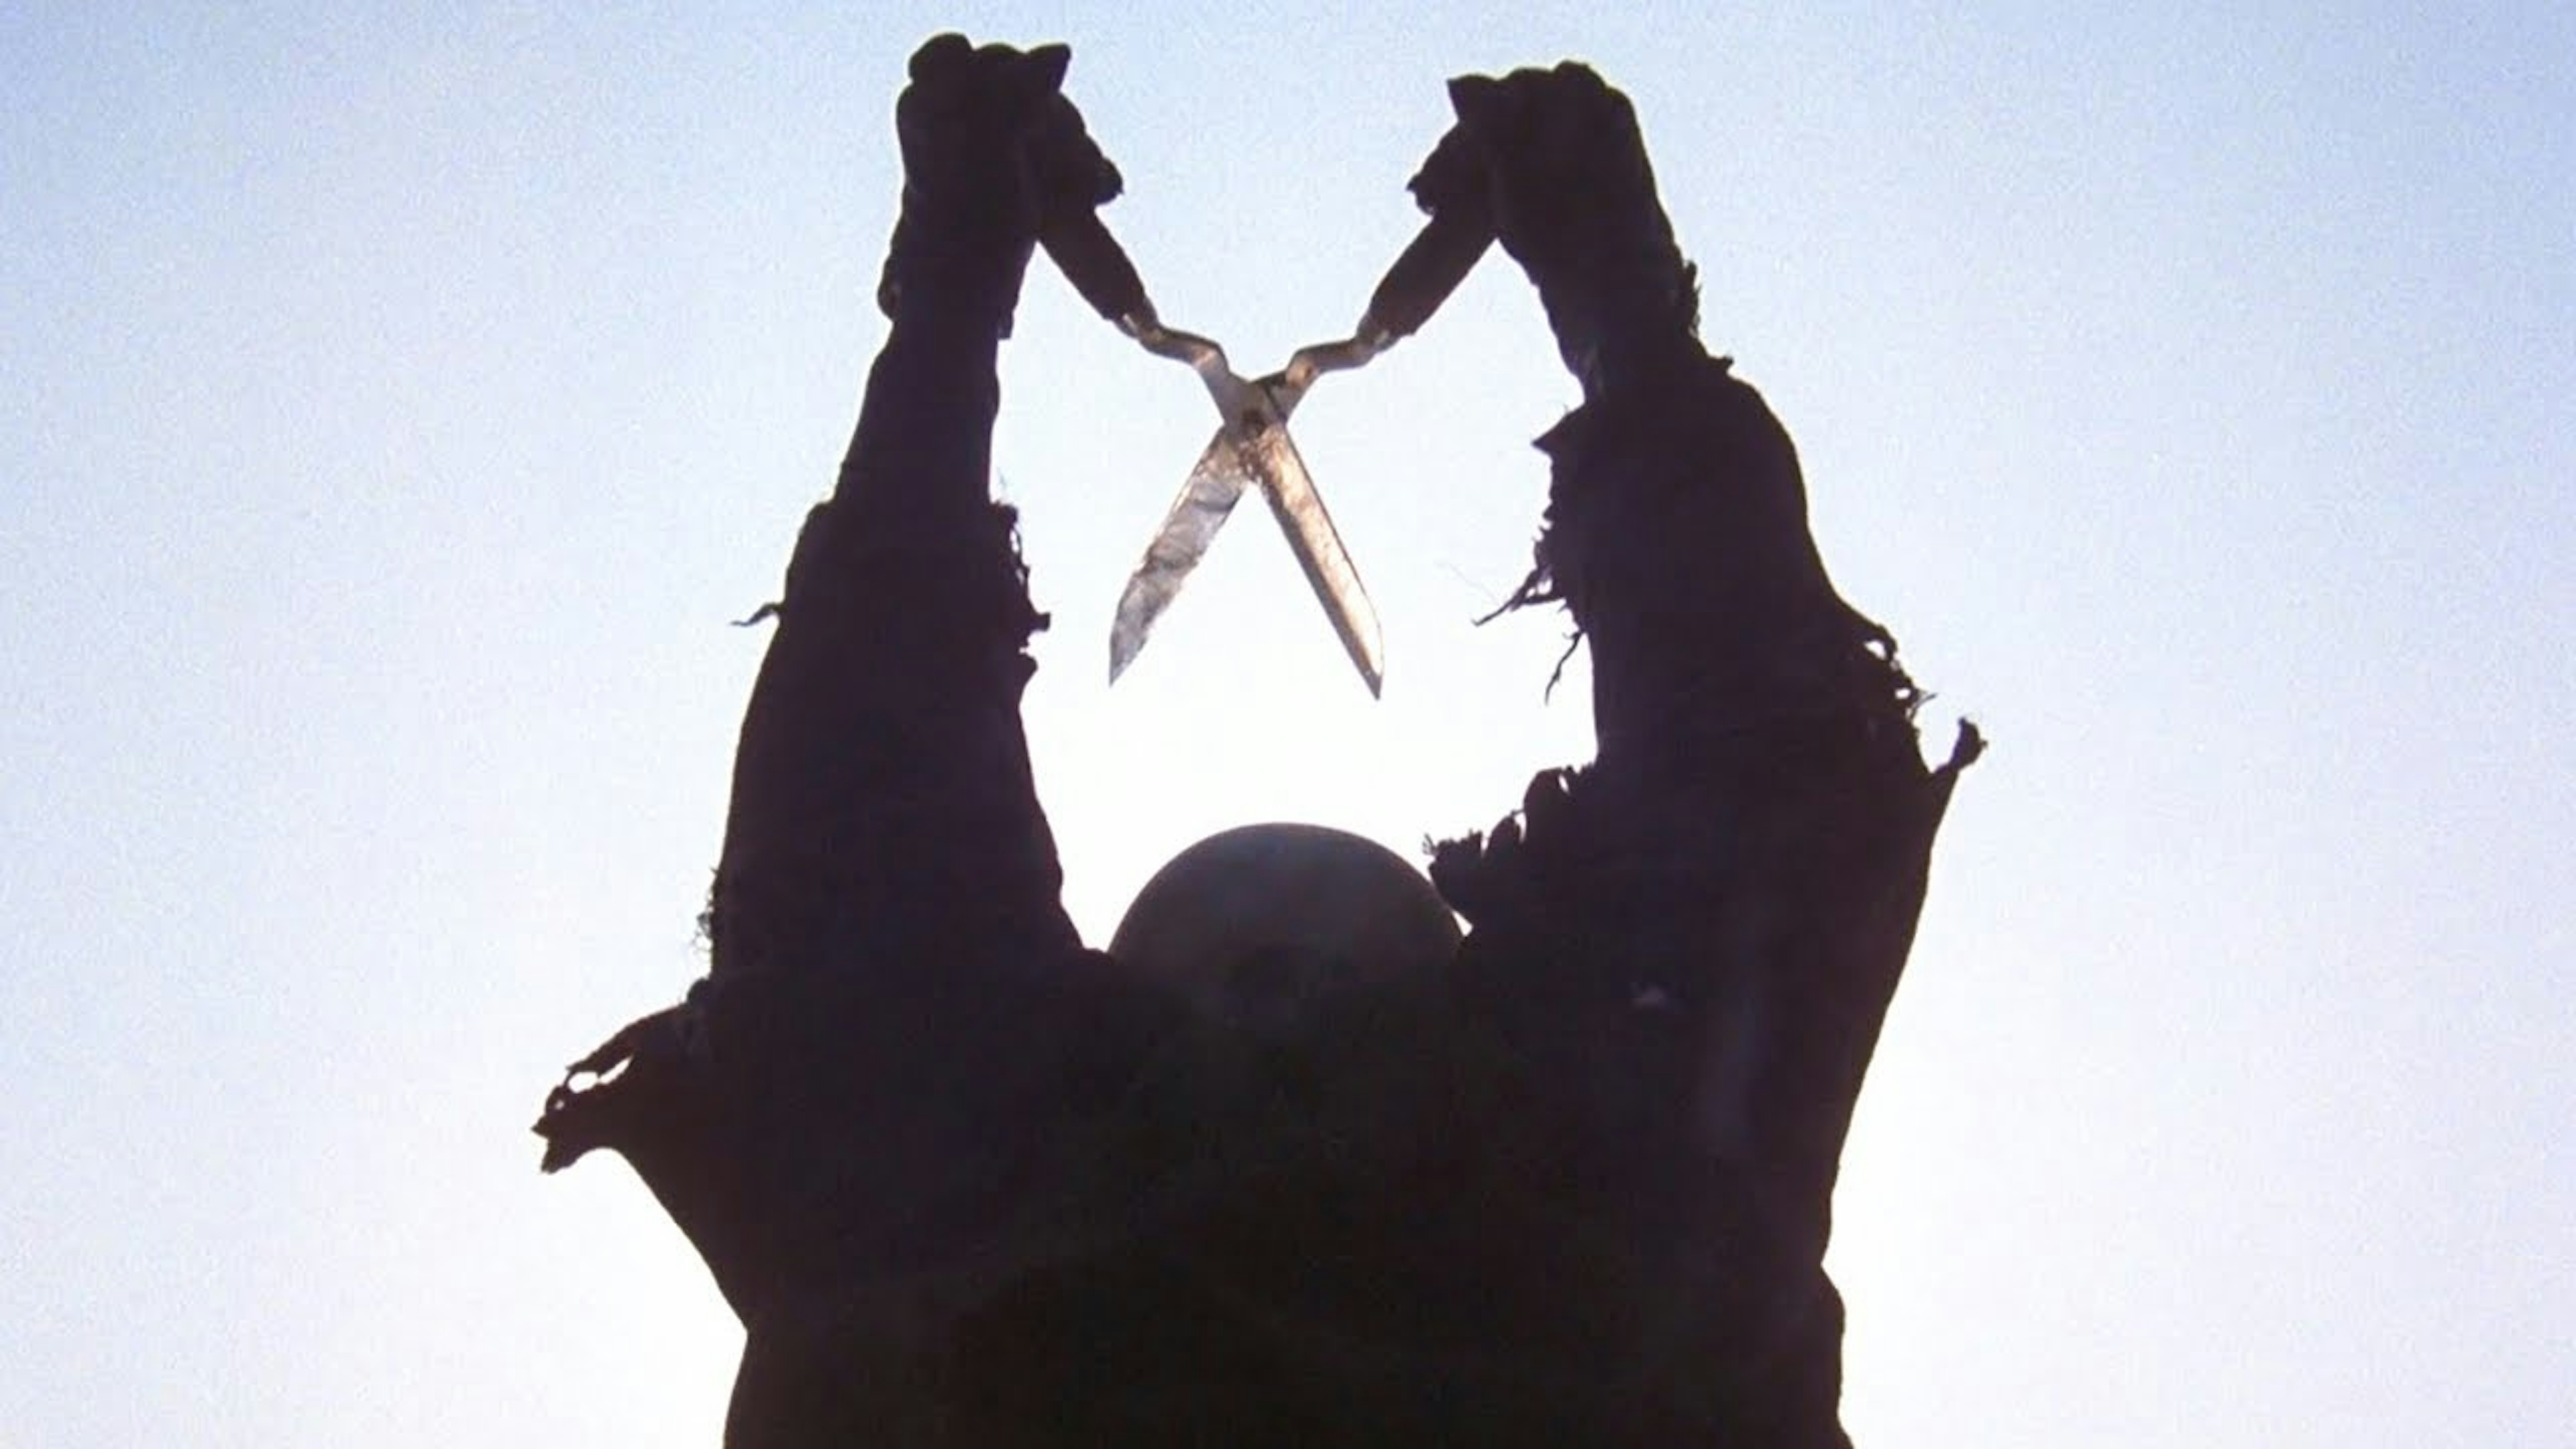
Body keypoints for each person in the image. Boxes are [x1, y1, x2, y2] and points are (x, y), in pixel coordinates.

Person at [538, 35, 1974, 1447]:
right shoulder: (1623, 1192)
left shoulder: (954, 1214)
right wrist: (1623, 313)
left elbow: (859, 816)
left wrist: (952, 307)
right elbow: (1765, 768)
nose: (1284, 1011)